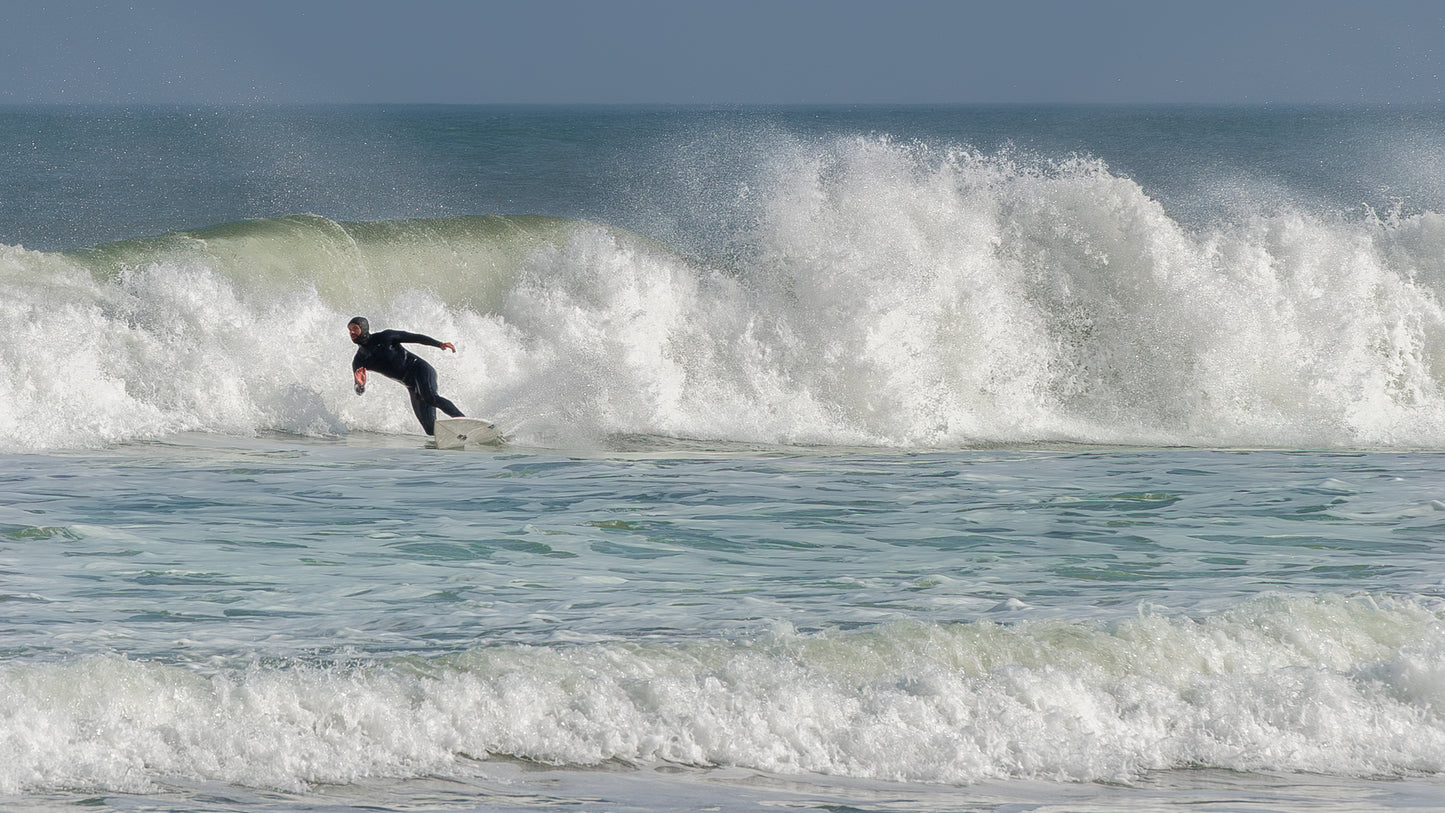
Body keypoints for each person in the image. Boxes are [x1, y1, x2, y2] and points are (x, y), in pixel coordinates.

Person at [347, 316, 465, 435]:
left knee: (429, 396)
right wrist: (360, 385)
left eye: (355, 328)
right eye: (349, 329)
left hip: (420, 369)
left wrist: (439, 344)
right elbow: (359, 391)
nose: (352, 332)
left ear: (364, 328)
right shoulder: (359, 360)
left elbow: (414, 337)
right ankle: (456, 436)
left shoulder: (385, 337)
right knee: (430, 429)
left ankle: (463, 421)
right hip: (411, 385)